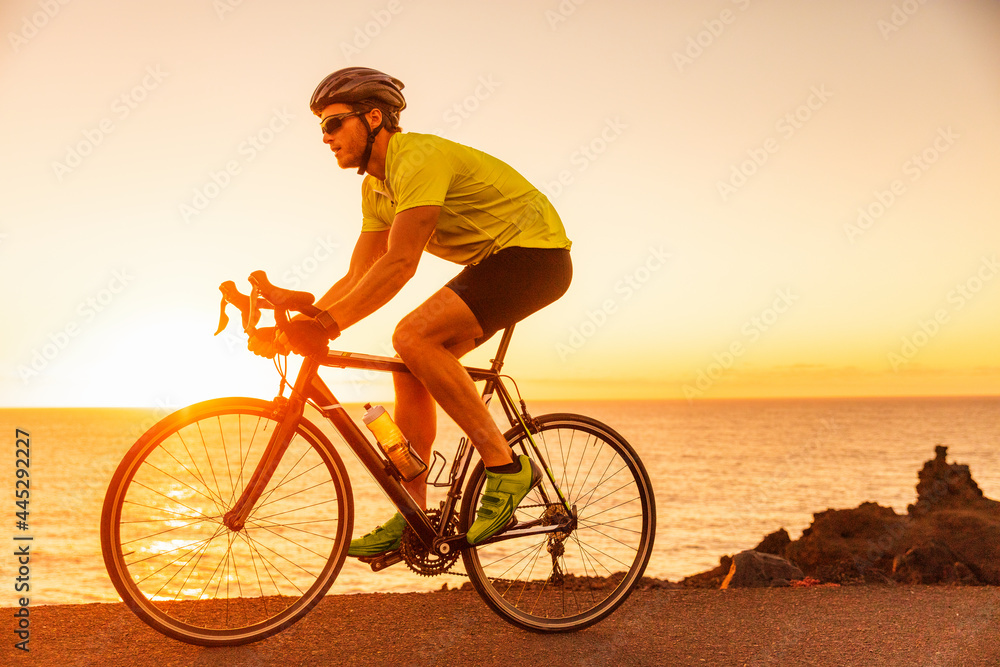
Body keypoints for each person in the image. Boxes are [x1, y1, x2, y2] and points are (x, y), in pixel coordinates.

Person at [250, 66, 572, 555]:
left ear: (373, 117)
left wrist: (329, 326)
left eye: (333, 123)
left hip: (536, 256)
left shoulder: (416, 158)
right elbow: (360, 274)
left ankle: (506, 467)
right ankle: (414, 513)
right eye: (320, 128)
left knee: (412, 336)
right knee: (411, 368)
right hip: (497, 262)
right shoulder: (375, 188)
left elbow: (401, 263)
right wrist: (305, 323)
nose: (325, 137)